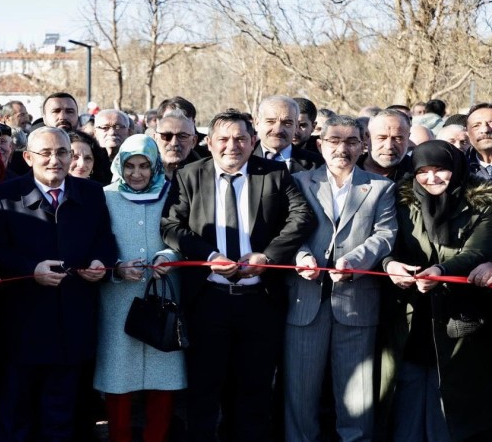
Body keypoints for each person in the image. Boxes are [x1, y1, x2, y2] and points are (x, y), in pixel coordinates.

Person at [161, 109, 315, 442]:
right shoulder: (190, 175)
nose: (233, 146)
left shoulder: (274, 173)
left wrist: (268, 256)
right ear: (209, 143)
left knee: (254, 395)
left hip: (259, 302)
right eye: (224, 139)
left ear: (253, 141)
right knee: (204, 393)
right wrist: (209, 256)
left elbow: (302, 218)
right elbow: (171, 226)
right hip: (208, 301)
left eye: (241, 138)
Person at [0, 126, 117, 442]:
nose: (54, 160)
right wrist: (31, 269)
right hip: (23, 323)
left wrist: (101, 262)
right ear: (28, 157)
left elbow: (105, 239)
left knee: (60, 415)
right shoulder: (2, 197)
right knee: (16, 413)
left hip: (72, 322)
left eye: (62, 152)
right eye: (45, 153)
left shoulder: (91, 193)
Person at [285, 115, 397, 442]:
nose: (341, 148)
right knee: (299, 395)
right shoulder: (298, 181)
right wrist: (302, 256)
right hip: (304, 301)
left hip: (356, 303)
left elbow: (385, 234)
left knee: (357, 399)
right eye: (334, 140)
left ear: (363, 146)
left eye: (350, 142)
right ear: (320, 144)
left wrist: (355, 261)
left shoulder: (381, 187)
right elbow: (287, 230)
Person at [381, 140, 492, 441]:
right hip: (411, 316)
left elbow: (476, 252)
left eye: (440, 170)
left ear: (455, 169)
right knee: (407, 401)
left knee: (453, 409)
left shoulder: (482, 203)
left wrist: (441, 272)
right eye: (423, 171)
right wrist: (391, 264)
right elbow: (388, 244)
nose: (432, 179)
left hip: (461, 317)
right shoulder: (402, 202)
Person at [94, 134, 185, 442]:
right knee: (119, 378)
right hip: (119, 297)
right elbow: (96, 241)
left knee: (164, 377)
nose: (136, 173)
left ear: (155, 165)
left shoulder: (172, 193)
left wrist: (168, 255)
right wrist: (116, 265)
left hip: (164, 294)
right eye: (129, 165)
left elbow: (184, 234)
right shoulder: (105, 196)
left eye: (144, 166)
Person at [252, 95, 324, 173]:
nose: (278, 130)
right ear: (257, 123)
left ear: (296, 126)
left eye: (287, 123)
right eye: (270, 121)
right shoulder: (243, 159)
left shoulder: (318, 165)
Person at [361, 109, 413, 181]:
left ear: (408, 138)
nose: (389, 146)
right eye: (382, 138)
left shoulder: (417, 174)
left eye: (397, 138)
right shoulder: (348, 170)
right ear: (367, 137)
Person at [153, 110, 198, 179]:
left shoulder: (203, 175)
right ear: (155, 138)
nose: (174, 143)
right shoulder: (141, 172)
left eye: (182, 136)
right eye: (166, 136)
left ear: (193, 141)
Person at [464, 102, 492, 180]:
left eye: (491, 123)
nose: (485, 130)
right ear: (467, 134)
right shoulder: (460, 168)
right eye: (476, 125)